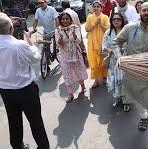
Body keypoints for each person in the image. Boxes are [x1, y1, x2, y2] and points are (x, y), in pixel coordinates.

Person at [111, 2, 148, 149]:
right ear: (139, 12)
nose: (146, 13)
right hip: (131, 74)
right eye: (144, 10)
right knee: (136, 100)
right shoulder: (129, 28)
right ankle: (143, 117)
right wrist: (119, 58)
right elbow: (116, 43)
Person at [0, 12, 50, 149]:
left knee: (14, 120)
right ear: (11, 29)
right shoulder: (19, 45)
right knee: (35, 121)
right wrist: (29, 40)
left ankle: (17, 146)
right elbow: (36, 57)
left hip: (5, 91)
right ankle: (43, 146)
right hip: (25, 90)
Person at [55, 12, 88, 103]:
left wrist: (73, 34)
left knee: (79, 71)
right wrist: (61, 39)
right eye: (63, 19)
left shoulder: (75, 28)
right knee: (67, 75)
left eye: (67, 19)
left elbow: (78, 41)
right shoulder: (57, 30)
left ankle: (82, 86)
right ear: (60, 21)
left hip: (76, 55)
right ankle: (70, 94)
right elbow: (58, 46)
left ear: (70, 20)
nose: (65, 21)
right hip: (64, 57)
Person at [102, 12, 130, 111]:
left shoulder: (127, 31)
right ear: (111, 21)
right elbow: (104, 46)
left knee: (125, 81)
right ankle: (118, 98)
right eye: (114, 19)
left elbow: (132, 45)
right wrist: (112, 50)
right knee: (114, 81)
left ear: (122, 21)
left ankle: (126, 101)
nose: (116, 21)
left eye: (118, 19)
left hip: (125, 60)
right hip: (113, 61)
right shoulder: (108, 32)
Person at [85, 0, 110, 88]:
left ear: (101, 8)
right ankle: (96, 81)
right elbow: (87, 29)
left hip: (102, 43)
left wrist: (100, 24)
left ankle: (105, 78)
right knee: (93, 62)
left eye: (98, 7)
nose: (96, 8)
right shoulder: (90, 17)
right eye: (94, 6)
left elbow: (107, 30)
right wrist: (95, 25)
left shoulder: (105, 17)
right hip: (92, 43)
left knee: (103, 61)